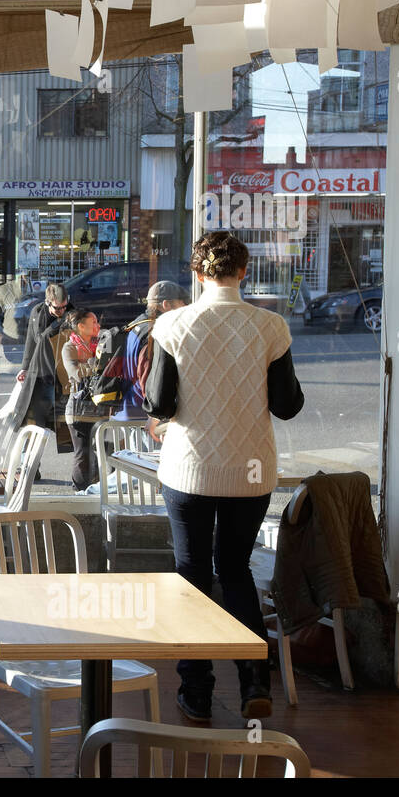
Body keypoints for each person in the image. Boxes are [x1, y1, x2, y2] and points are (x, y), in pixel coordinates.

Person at [144, 232, 304, 723]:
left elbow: (159, 404)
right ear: (243, 272)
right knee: (235, 571)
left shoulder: (172, 324)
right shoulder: (271, 327)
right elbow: (287, 405)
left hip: (189, 470)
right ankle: (254, 683)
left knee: (191, 577)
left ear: (197, 274)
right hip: (250, 472)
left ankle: (196, 692)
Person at [112, 280, 189, 422]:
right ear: (166, 305)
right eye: (183, 304)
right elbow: (150, 381)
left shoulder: (137, 325)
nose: (186, 310)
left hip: (129, 411)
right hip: (143, 419)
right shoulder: (155, 334)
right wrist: (156, 419)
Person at [8, 282, 73, 437]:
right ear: (47, 302)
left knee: (63, 423)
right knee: (33, 420)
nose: (62, 310)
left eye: (64, 306)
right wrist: (25, 368)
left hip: (59, 376)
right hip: (39, 373)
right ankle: (29, 451)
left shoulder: (72, 316)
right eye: (57, 308)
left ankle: (84, 449)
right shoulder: (37, 312)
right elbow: (31, 341)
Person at [60, 308, 108, 491]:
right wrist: (97, 365)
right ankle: (80, 491)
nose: (98, 325)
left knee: (101, 451)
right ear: (81, 326)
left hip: (100, 407)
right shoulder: (70, 347)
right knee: (83, 454)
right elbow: (76, 373)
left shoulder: (102, 343)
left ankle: (97, 490)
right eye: (94, 322)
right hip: (79, 409)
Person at [0, 276, 29, 372]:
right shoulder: (3, 291)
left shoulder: (47, 290)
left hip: (37, 359)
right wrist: (6, 341)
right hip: (10, 358)